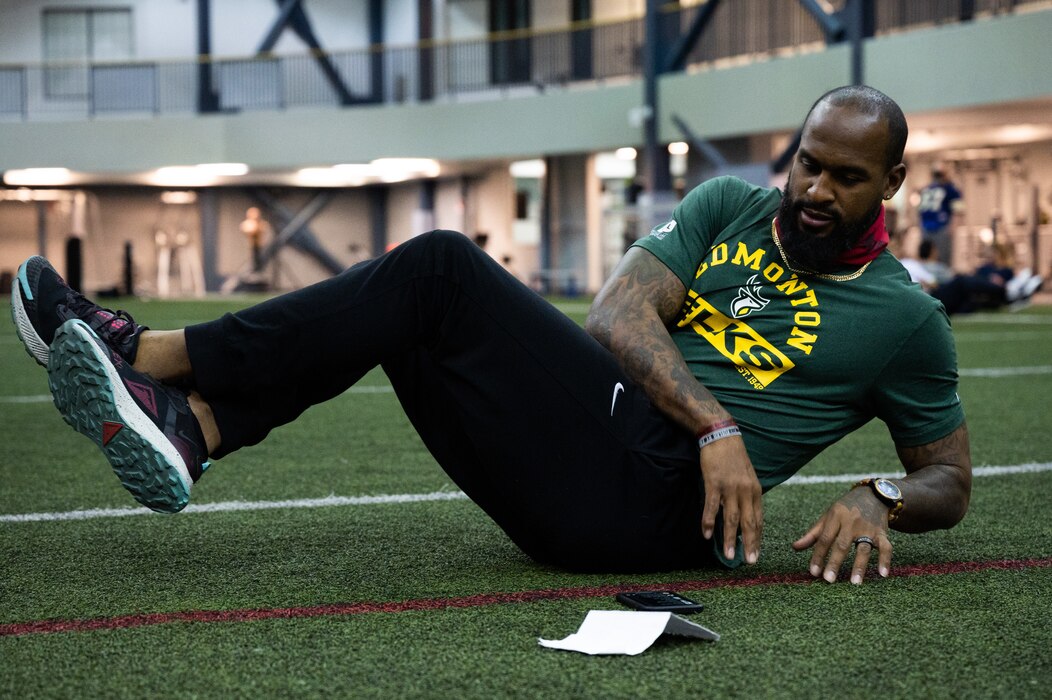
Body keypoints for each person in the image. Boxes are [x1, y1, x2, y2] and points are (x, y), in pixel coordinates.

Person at [10, 85, 971, 585]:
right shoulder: (730, 205)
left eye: (845, 177)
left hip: (659, 510)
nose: (813, 190)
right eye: (808, 162)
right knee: (410, 310)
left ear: (888, 187)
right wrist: (718, 422)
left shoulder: (903, 318)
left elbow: (950, 478)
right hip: (597, 454)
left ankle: (151, 358)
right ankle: (198, 429)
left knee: (435, 266)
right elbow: (616, 314)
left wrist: (883, 492)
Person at [917, 168, 963, 267]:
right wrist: (953, 227)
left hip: (929, 226)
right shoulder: (950, 189)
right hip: (939, 227)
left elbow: (920, 211)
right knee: (942, 260)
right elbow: (958, 211)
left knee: (927, 258)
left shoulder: (926, 189)